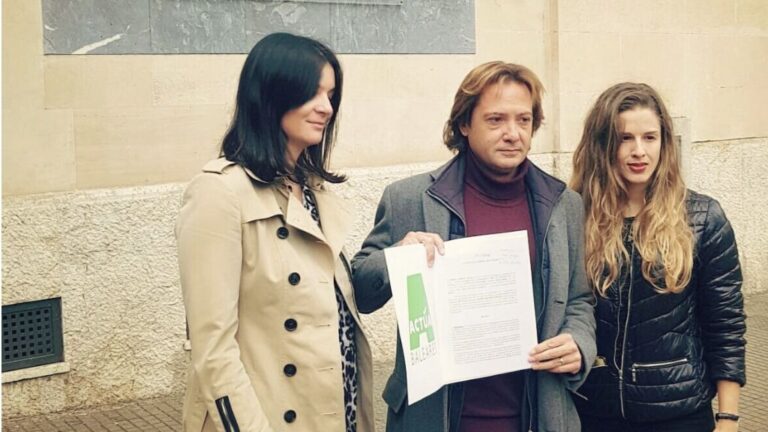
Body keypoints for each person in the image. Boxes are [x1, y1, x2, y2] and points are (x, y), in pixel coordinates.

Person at [352, 61, 596, 432]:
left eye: (524, 120)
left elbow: (579, 299)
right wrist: (396, 257)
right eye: (496, 120)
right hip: (436, 418)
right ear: (464, 124)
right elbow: (360, 292)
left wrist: (578, 343)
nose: (513, 133)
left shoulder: (563, 204)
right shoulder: (410, 198)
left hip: (535, 416)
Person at [176, 33, 374, 432]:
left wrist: (402, 254)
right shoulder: (219, 192)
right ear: (270, 94)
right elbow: (213, 351)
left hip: (333, 411)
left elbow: (330, 305)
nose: (326, 107)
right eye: (311, 92)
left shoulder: (312, 190)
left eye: (331, 95)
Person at [570, 82, 746, 432]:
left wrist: (728, 418)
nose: (639, 151)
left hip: (678, 410)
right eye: (624, 138)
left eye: (649, 137)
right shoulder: (574, 216)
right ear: (602, 144)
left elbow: (725, 326)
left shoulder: (702, 217)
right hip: (593, 410)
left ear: (664, 142)